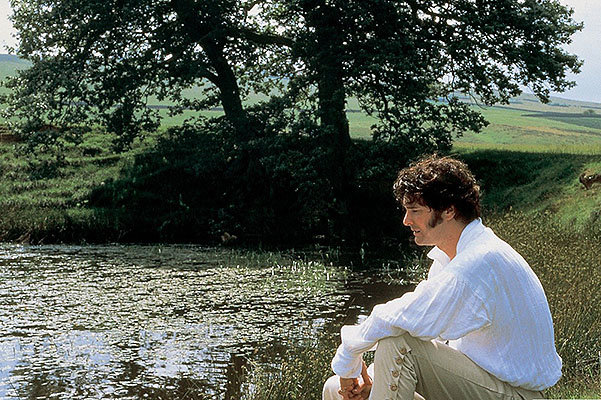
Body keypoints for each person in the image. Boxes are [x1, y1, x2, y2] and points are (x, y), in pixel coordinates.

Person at [323, 155, 562, 400]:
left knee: (400, 345)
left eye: (415, 211)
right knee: (335, 390)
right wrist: (372, 377)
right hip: (479, 386)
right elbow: (424, 331)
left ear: (449, 210)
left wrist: (349, 352)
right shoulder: (449, 259)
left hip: (515, 395)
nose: (406, 220)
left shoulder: (479, 262)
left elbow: (399, 320)